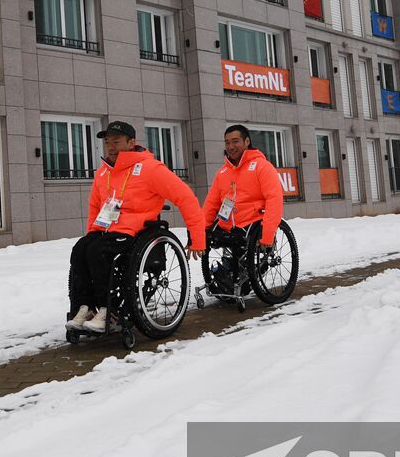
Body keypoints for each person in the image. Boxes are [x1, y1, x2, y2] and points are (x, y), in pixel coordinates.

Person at [66, 121, 206, 332]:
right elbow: (95, 206)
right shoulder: (104, 172)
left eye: (116, 141)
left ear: (131, 143)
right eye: (107, 142)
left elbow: (185, 197)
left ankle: (109, 311)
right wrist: (92, 233)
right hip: (107, 230)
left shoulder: (150, 168)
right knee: (80, 249)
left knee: (96, 251)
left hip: (135, 231)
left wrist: (197, 237)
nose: (110, 146)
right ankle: (86, 308)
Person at [201, 124, 285, 291]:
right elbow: (211, 204)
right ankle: (222, 277)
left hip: (252, 222)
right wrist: (198, 232)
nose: (230, 147)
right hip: (228, 224)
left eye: (235, 141)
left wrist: (268, 235)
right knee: (209, 235)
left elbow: (274, 200)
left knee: (241, 239)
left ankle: (244, 275)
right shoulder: (223, 172)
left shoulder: (262, 166)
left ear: (247, 141)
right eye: (227, 143)